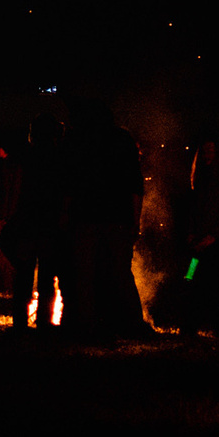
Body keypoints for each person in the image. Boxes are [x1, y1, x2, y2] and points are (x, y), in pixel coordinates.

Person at [61, 96, 146, 340]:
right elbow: (135, 184)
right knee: (120, 273)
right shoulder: (123, 140)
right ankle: (130, 323)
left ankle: (88, 325)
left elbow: (69, 183)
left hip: (85, 217)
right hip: (117, 218)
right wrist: (135, 219)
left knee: (85, 274)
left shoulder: (78, 140)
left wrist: (65, 215)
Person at [3, 111, 68, 333]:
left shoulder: (26, 156)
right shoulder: (60, 157)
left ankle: (20, 322)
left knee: (23, 274)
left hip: (28, 222)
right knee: (48, 275)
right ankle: (43, 321)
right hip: (49, 223)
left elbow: (16, 188)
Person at [179, 135, 219, 339]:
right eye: (204, 150)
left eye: (211, 151)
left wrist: (213, 236)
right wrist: (191, 233)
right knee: (190, 279)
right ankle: (189, 328)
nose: (208, 155)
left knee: (216, 285)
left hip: (217, 244)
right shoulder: (199, 176)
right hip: (197, 245)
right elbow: (193, 209)